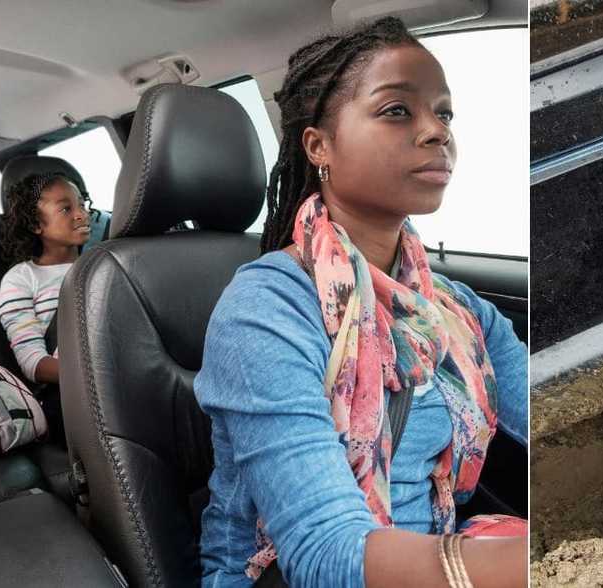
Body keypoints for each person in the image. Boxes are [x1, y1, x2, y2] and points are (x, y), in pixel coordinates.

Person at [195, 16, 527, 588]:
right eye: (398, 110)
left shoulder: (458, 309)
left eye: (444, 114)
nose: (436, 132)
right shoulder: (265, 310)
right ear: (319, 145)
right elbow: (325, 555)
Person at [0, 172, 91, 386]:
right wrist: (101, 375)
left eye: (82, 205)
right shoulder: (20, 280)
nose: (82, 215)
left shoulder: (105, 265)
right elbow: (34, 363)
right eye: (66, 209)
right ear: (36, 224)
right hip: (74, 392)